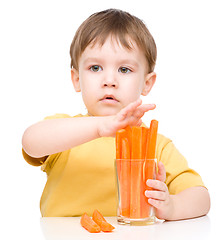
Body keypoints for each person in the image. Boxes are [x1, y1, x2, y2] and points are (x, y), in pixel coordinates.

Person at [22, 9, 210, 220]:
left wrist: (172, 206)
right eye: (95, 68)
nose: (109, 80)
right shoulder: (66, 130)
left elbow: (201, 197)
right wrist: (99, 127)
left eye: (124, 70)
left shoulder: (156, 145)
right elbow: (30, 142)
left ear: (147, 83)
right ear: (76, 79)